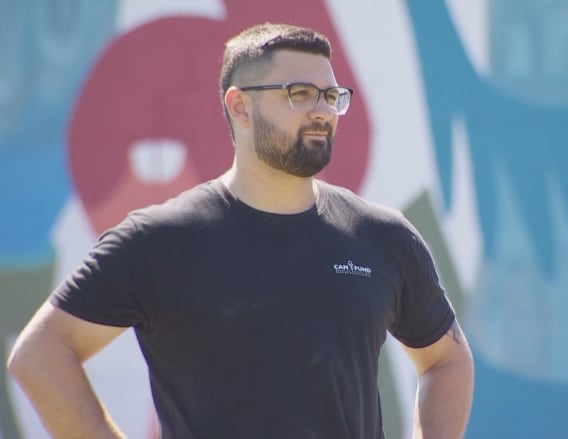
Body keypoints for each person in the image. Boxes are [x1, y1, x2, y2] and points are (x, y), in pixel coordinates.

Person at [6, 22, 474, 438]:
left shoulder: (383, 236)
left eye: (332, 96)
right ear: (240, 106)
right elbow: (41, 356)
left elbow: (446, 360)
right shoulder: (161, 240)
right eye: (300, 93)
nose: (323, 111)